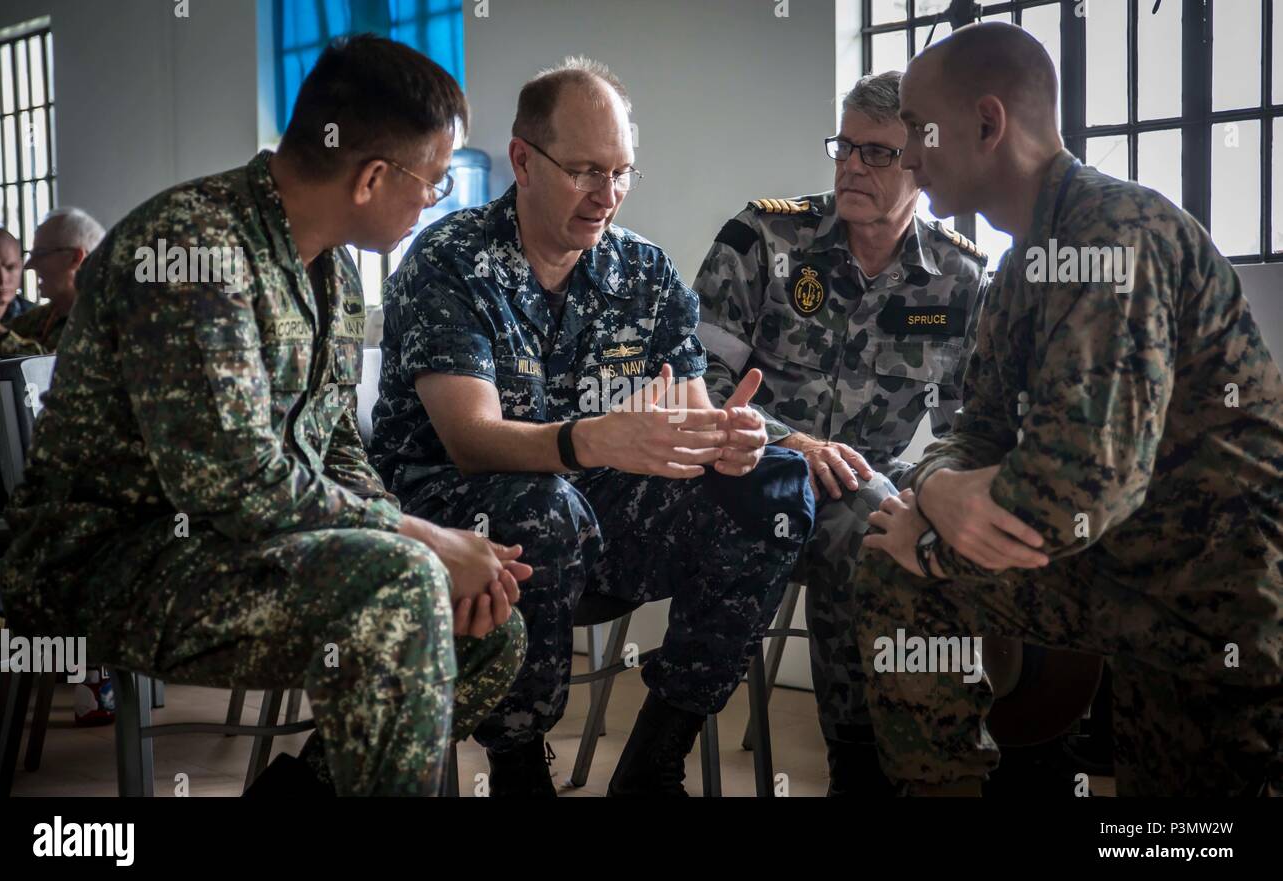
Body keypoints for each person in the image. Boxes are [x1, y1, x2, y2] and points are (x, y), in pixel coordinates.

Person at [1, 35, 528, 796]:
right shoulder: (192, 249)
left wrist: (417, 541)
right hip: (110, 562)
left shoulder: (336, 270)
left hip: (240, 546)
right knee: (406, 583)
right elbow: (236, 484)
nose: (432, 201)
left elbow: (335, 442)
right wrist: (423, 539)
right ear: (373, 176)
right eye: (434, 182)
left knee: (489, 631)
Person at [857, 22, 1283, 796]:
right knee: (888, 557)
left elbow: (1078, 494)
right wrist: (935, 488)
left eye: (920, 131)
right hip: (1127, 580)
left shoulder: (1115, 235)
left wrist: (930, 536)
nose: (909, 156)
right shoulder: (1024, 267)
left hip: (1225, 602)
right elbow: (975, 427)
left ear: (988, 124)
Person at [370, 57, 814, 796]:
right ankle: (516, 766)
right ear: (523, 160)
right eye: (583, 170)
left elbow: (691, 415)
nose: (605, 195)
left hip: (597, 513)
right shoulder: (450, 261)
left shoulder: (643, 270)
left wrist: (728, 443)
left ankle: (659, 750)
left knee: (775, 487)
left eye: (621, 172)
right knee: (546, 506)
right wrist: (587, 441)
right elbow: (470, 439)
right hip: (456, 513)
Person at [692, 70, 988, 796]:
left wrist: (944, 493)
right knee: (871, 521)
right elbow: (696, 385)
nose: (852, 166)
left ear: (920, 162)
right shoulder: (763, 237)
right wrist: (793, 442)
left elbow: (971, 426)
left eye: (878, 154)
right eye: (845, 146)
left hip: (865, 490)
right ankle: (862, 766)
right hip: (744, 472)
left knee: (920, 522)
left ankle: (965, 755)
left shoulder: (957, 278)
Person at [0, 208, 105, 356]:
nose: (29, 265)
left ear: (75, 258)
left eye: (41, 253)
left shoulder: (105, 317)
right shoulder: (42, 316)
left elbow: (53, 369)